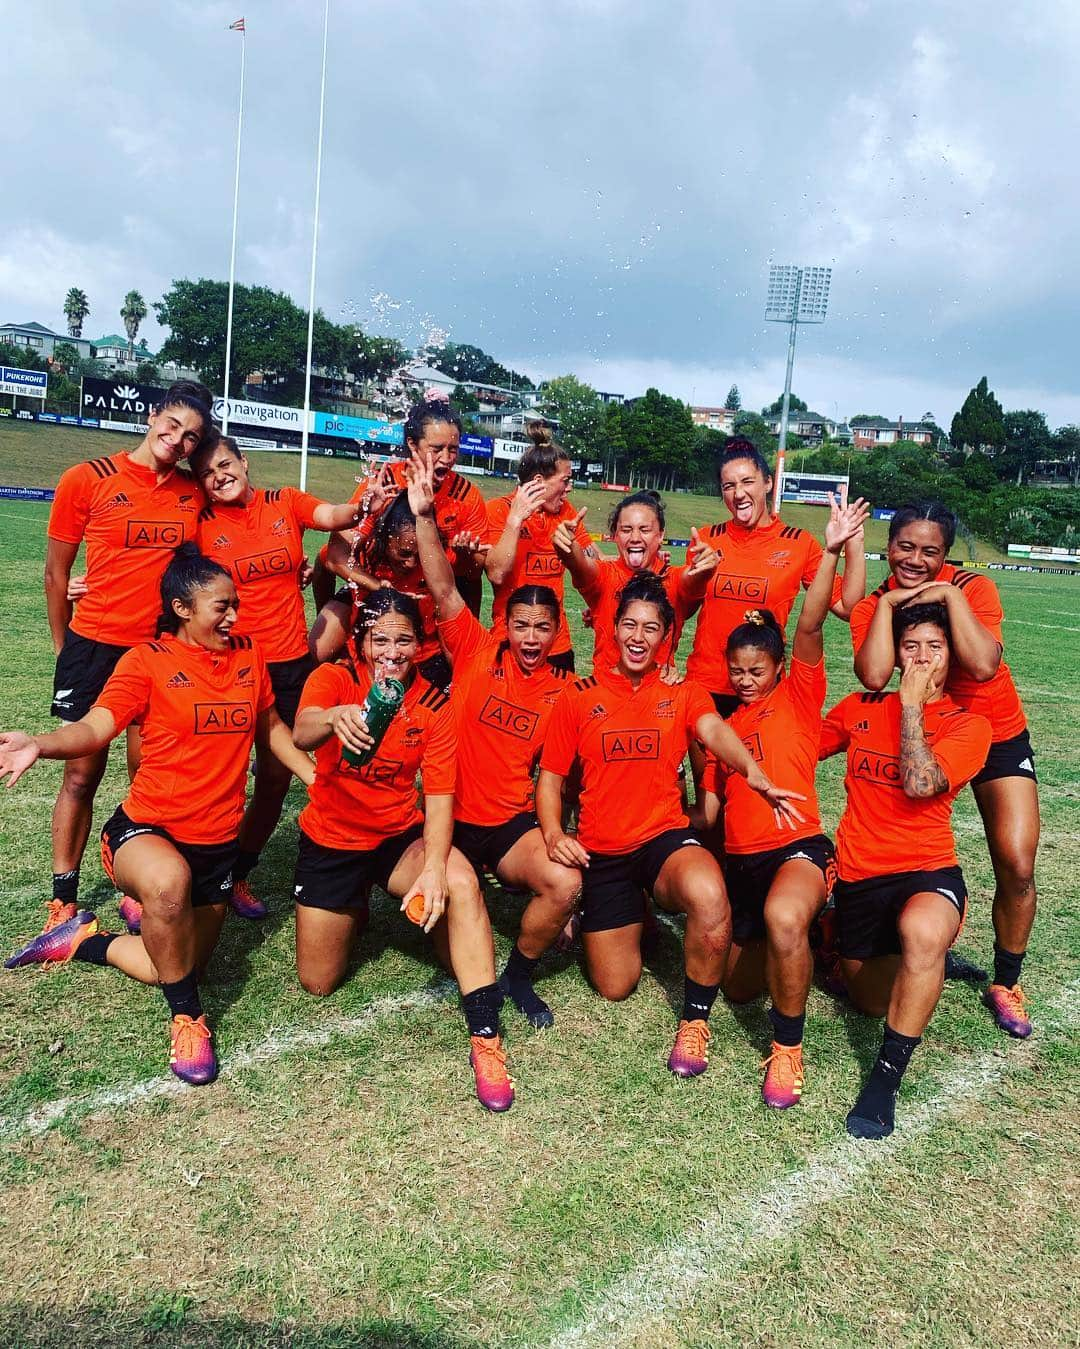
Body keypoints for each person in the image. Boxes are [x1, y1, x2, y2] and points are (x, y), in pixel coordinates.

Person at [2, 545, 313, 1085]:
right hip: (145, 832)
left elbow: (273, 731)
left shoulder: (248, 656)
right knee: (169, 887)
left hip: (215, 845)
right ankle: (188, 1020)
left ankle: (82, 941)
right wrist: (41, 743)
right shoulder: (147, 661)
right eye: (221, 606)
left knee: (174, 964)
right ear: (182, 608)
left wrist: (315, 777)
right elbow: (96, 727)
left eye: (235, 604)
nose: (235, 615)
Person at [535, 572, 806, 1077]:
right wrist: (554, 834)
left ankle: (694, 1020)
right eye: (630, 626)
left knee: (708, 892)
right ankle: (629, 911)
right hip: (605, 849)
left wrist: (751, 771)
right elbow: (550, 781)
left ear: (667, 637)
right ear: (613, 630)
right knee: (615, 985)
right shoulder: (579, 695)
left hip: (663, 837)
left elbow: (712, 730)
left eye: (652, 629)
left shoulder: (684, 692)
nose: (639, 638)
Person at [291, 586, 516, 1112]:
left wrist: (435, 867)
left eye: (404, 640)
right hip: (333, 838)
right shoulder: (334, 679)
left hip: (396, 835)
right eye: (380, 639)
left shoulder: (434, 704)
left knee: (461, 884)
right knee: (318, 982)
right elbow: (301, 732)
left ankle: (486, 1037)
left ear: (421, 644)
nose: (391, 651)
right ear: (361, 642)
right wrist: (333, 718)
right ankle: (356, 904)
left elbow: (439, 798)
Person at [695, 493, 870, 1109]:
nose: (745, 679)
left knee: (782, 918)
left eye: (757, 669)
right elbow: (712, 809)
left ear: (776, 668)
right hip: (741, 862)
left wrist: (831, 551)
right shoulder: (723, 730)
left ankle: (788, 1050)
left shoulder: (799, 696)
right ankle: (817, 936)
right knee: (738, 988)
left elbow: (811, 623)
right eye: (737, 671)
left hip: (795, 846)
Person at [406, 449, 582, 1028]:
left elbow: (559, 773)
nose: (531, 637)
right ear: (505, 626)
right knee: (443, 923)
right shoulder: (477, 650)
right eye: (522, 625)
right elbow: (441, 583)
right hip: (447, 813)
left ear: (557, 633)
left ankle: (520, 974)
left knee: (563, 882)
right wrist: (426, 516)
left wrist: (555, 833)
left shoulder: (562, 691)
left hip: (507, 826)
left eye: (543, 628)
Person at [850, 501, 1039, 1039]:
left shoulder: (973, 588)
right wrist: (889, 606)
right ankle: (914, 942)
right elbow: (873, 675)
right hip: (921, 737)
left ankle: (1006, 981)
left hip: (995, 731)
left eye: (930, 551)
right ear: (889, 546)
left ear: (946, 555)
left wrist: (950, 595)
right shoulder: (875, 603)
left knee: (1017, 862)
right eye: (905, 547)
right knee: (913, 856)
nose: (915, 559)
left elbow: (982, 664)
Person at [41, 381, 216, 940]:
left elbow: (231, 532)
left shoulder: (192, 492)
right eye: (172, 424)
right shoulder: (86, 479)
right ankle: (63, 900)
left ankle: (138, 885)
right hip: (93, 644)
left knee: (149, 775)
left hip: (157, 651)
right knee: (82, 772)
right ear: (151, 415)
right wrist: (64, 645)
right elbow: (56, 573)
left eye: (191, 435)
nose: (178, 439)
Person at [821, 601, 992, 1138]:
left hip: (926, 869)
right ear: (894, 654)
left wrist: (912, 708)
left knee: (923, 933)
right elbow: (797, 749)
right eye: (910, 646)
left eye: (934, 648)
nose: (920, 658)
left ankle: (884, 1081)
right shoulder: (859, 706)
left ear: (951, 658)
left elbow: (919, 785)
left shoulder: (969, 725)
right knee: (869, 1001)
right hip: (860, 876)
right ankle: (838, 933)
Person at [187, 434, 368, 920]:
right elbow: (170, 582)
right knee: (213, 776)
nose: (218, 477)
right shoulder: (199, 524)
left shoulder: (283, 502)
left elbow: (333, 516)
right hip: (230, 663)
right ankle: (176, 868)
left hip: (289, 664)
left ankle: (237, 872)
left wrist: (372, 495)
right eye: (206, 473)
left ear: (244, 462)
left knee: (274, 778)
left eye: (224, 464)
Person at [686, 439, 866, 715]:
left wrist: (853, 542)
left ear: (768, 483)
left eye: (747, 481)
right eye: (729, 486)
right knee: (710, 761)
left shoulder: (799, 544)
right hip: (705, 686)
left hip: (763, 689)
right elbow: (679, 606)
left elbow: (848, 607)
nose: (739, 493)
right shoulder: (707, 539)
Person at [318, 393, 491, 617]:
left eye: (454, 449)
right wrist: (378, 586)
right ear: (412, 444)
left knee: (469, 588)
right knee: (322, 559)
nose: (447, 458)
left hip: (433, 597)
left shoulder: (466, 495)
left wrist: (466, 555)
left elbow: (474, 573)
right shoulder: (385, 484)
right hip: (378, 592)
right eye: (436, 449)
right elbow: (335, 555)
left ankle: (463, 646)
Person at [553, 488, 718, 675]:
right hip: (608, 695)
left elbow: (693, 579)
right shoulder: (604, 576)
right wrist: (566, 546)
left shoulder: (674, 578)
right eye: (626, 529)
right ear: (615, 534)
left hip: (658, 694)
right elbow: (579, 564)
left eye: (644, 529)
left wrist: (705, 568)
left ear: (661, 535)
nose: (635, 538)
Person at [309, 490, 451, 690]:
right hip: (371, 636)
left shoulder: (436, 557)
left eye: (418, 556)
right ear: (386, 539)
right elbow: (327, 560)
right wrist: (377, 585)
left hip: (423, 649)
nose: (411, 563)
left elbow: (451, 605)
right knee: (319, 649)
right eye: (404, 553)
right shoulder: (370, 547)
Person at [484, 424, 596, 671]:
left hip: (557, 644)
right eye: (565, 481)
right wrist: (515, 520)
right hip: (510, 639)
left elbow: (595, 563)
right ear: (537, 482)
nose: (570, 488)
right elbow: (496, 573)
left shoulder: (566, 512)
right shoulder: (498, 510)